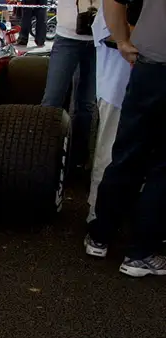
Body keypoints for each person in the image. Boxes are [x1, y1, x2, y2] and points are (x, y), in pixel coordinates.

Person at [85, 0, 166, 276]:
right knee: (161, 168)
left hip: (148, 67)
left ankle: (100, 235)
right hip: (152, 63)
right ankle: (140, 252)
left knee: (128, 152)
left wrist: (122, 41)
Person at [85, 4, 132, 222]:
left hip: (150, 84)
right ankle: (98, 214)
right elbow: (108, 30)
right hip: (118, 85)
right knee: (110, 149)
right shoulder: (113, 8)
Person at [41, 0, 97, 170]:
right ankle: (42, 154)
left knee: (86, 105)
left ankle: (77, 159)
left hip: (99, 40)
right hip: (67, 37)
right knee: (52, 100)